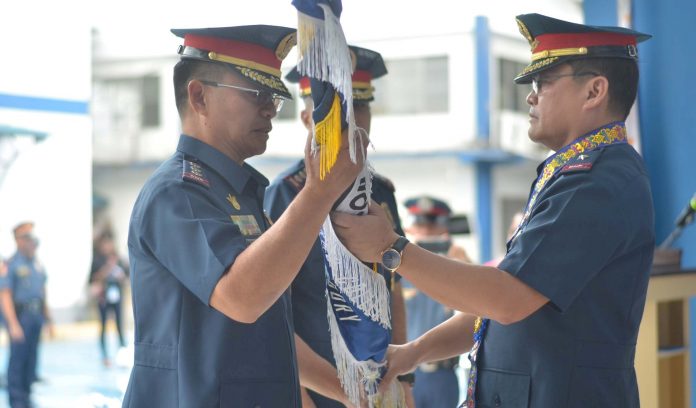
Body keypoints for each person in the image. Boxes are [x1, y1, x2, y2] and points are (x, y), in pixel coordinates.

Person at [332, 13, 655, 407]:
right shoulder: (575, 173)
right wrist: (414, 351)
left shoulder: (595, 180)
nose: (531, 97)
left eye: (543, 83)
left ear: (594, 91)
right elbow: (502, 303)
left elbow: (508, 299)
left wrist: (392, 248)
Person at [122, 25, 364, 407]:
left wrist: (350, 394)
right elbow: (242, 299)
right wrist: (319, 192)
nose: (269, 108)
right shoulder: (177, 193)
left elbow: (269, 328)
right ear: (199, 97)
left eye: (274, 98)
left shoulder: (236, 193)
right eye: (256, 94)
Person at [265, 45, 413, 407]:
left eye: (361, 107)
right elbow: (273, 309)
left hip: (379, 381)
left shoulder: (380, 194)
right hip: (316, 385)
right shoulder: (285, 196)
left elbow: (393, 288)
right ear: (306, 119)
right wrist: (297, 394)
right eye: (340, 113)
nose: (354, 122)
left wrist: (406, 379)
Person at [400, 196, 470, 407]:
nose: (427, 232)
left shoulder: (458, 264)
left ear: (445, 231)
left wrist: (464, 265)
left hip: (442, 372)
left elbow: (477, 309)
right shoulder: (398, 263)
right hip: (407, 370)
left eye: (433, 227)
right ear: (410, 229)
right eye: (420, 226)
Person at [0, 222, 53, 408]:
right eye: (28, 238)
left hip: (36, 315)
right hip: (20, 316)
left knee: (32, 358)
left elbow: (42, 291)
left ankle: (27, 396)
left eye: (33, 238)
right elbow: (5, 295)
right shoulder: (11, 264)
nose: (32, 242)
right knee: (18, 360)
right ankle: (17, 401)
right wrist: (13, 324)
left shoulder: (36, 263)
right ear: (18, 240)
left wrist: (49, 319)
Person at [89, 232, 128, 367]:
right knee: (104, 326)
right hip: (103, 298)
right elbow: (92, 279)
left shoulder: (119, 259)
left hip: (116, 296)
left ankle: (123, 355)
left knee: (120, 326)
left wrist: (120, 276)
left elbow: (126, 276)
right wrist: (107, 269)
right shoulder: (98, 260)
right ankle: (105, 356)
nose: (107, 246)